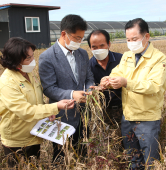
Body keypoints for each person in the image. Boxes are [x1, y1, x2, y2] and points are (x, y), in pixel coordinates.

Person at [100, 18, 166, 169]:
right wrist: (107, 80)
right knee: (133, 158)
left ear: (147, 37)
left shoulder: (159, 59)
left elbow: (154, 86)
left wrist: (126, 83)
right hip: (128, 116)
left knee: (151, 160)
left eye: (135, 39)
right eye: (128, 39)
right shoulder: (127, 56)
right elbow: (117, 72)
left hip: (147, 118)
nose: (131, 43)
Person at [0, 37, 75, 167]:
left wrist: (47, 111)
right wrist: (55, 106)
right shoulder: (7, 83)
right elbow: (25, 111)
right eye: (28, 58)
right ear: (16, 61)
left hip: (34, 133)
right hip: (18, 139)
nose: (33, 60)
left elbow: (35, 99)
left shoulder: (28, 73)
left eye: (32, 56)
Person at [38, 14, 94, 162]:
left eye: (82, 38)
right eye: (76, 38)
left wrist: (89, 90)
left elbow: (89, 78)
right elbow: (49, 88)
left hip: (83, 114)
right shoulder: (47, 57)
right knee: (61, 157)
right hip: (61, 116)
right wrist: (71, 94)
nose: (80, 42)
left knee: (81, 153)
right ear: (64, 34)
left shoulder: (82, 54)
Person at [87, 29, 122, 125]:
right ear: (90, 48)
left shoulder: (122, 60)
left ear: (109, 44)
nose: (99, 49)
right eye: (94, 47)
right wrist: (96, 90)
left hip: (124, 110)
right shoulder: (88, 66)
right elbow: (88, 88)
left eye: (102, 45)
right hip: (101, 113)